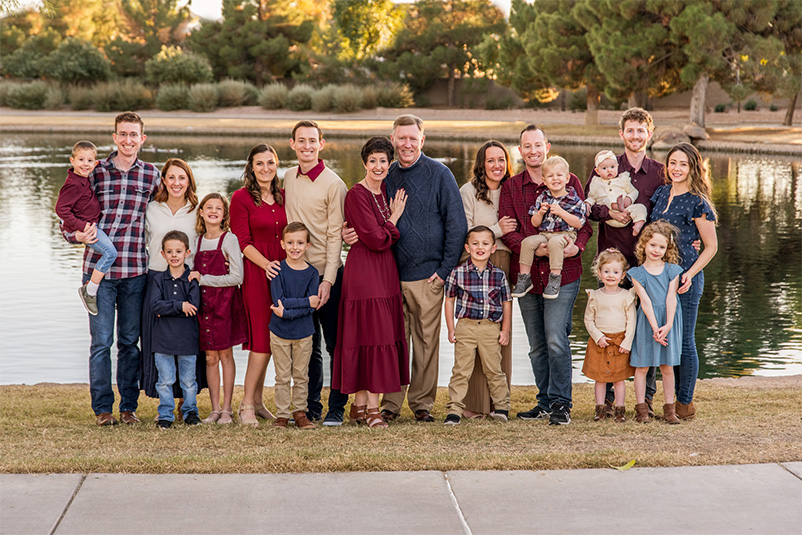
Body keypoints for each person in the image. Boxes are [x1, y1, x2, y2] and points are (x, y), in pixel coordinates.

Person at [361, 114, 466, 423]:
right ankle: (389, 405)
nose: (406, 144)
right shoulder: (384, 174)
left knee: (425, 344)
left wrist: (445, 270)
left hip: (428, 276)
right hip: (389, 276)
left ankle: (421, 404)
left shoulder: (440, 174)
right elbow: (368, 215)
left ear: (422, 140)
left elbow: (457, 226)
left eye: (412, 138)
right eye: (401, 138)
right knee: (393, 342)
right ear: (392, 140)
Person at [65, 112, 161, 426]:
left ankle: (129, 408)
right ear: (114, 137)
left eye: (134, 134)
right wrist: (75, 234)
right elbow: (68, 217)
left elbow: (166, 214)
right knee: (100, 343)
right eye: (123, 134)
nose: (128, 140)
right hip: (98, 273)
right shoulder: (95, 171)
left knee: (130, 342)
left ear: (142, 139)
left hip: (135, 271)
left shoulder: (151, 175)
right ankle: (103, 409)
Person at [499, 124, 592, 426]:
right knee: (537, 343)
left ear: (546, 146)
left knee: (556, 338)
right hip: (526, 274)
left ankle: (562, 404)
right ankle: (544, 401)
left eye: (538, 145)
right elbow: (508, 232)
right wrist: (532, 250)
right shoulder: (513, 187)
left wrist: (575, 249)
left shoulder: (569, 179)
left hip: (563, 274)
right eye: (527, 146)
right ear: (521, 150)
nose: (533, 151)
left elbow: (584, 225)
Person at [585, 107, 666, 419]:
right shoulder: (605, 165)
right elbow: (589, 207)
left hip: (648, 264)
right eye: (629, 130)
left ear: (648, 133)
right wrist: (610, 214)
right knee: (608, 327)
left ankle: (643, 400)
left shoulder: (659, 171)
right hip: (612, 264)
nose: (635, 136)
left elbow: (664, 213)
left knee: (645, 327)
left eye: (640, 131)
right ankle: (606, 400)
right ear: (622, 134)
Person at [332, 137, 409, 429]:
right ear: (365, 163)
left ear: (390, 165)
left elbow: (378, 237)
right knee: (370, 334)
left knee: (374, 334)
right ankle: (374, 410)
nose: (378, 166)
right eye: (373, 161)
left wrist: (383, 228)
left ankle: (361, 405)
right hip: (364, 270)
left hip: (386, 270)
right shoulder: (356, 194)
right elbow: (376, 240)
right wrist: (394, 219)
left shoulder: (387, 190)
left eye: (383, 161)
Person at [280, 121, 349, 426]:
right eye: (301, 141)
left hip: (328, 273)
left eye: (312, 141)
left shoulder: (334, 184)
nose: (306, 146)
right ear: (292, 144)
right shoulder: (288, 177)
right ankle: (311, 407)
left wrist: (329, 281)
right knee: (309, 345)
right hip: (298, 274)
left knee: (335, 344)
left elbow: (336, 235)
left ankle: (336, 407)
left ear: (322, 144)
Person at [649, 143, 718, 420]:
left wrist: (689, 273)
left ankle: (685, 402)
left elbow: (711, 247)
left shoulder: (698, 201)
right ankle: (664, 398)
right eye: (672, 163)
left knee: (685, 340)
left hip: (686, 279)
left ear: (693, 168)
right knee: (666, 338)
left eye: (683, 164)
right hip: (659, 279)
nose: (676, 169)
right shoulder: (661, 193)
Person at [140, 158, 203, 420]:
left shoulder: (197, 209)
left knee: (185, 341)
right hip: (156, 277)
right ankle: (163, 406)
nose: (176, 183)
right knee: (159, 343)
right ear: (163, 179)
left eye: (182, 178)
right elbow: (142, 241)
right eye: (172, 177)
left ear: (189, 181)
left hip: (188, 280)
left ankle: (185, 404)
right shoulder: (152, 208)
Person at [230, 144, 287, 426]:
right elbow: (242, 242)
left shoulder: (284, 196)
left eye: (270, 163)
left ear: (277, 165)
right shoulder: (240, 198)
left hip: (283, 273)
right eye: (260, 163)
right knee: (261, 341)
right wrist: (266, 265)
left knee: (273, 339)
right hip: (257, 272)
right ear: (251, 167)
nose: (265, 168)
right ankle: (246, 406)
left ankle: (259, 402)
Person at [459, 140, 516, 418]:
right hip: (475, 265)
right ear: (481, 164)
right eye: (490, 160)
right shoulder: (468, 192)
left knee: (498, 336)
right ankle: (472, 406)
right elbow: (465, 232)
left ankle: (499, 405)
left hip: (503, 264)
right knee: (473, 333)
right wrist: (496, 230)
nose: (496, 165)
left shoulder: (512, 189)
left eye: (501, 160)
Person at [443, 225, 512, 426]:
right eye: (475, 243)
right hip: (466, 327)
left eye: (485, 243)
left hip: (491, 328)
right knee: (461, 370)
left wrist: (505, 329)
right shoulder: (457, 273)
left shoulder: (499, 275)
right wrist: (451, 328)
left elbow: (507, 303)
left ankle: (501, 407)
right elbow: (449, 300)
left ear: (493, 248)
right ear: (467, 247)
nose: (479, 247)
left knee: (494, 370)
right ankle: (454, 410)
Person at [189, 193, 247, 425]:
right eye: (208, 207)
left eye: (219, 208)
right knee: (210, 357)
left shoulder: (229, 240)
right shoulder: (198, 241)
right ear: (201, 212)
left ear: (224, 215)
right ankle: (214, 409)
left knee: (225, 355)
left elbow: (237, 276)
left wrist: (205, 279)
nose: (213, 211)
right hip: (203, 306)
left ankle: (227, 410)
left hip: (224, 304)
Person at [628, 221, 684, 424]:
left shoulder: (673, 270)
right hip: (647, 321)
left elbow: (671, 298)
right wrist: (654, 327)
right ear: (644, 244)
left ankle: (670, 410)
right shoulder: (637, 273)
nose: (656, 250)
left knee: (667, 366)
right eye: (653, 245)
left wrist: (667, 325)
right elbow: (645, 301)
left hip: (668, 320)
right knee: (642, 367)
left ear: (667, 249)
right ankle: (642, 409)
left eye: (662, 247)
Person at [510, 155, 588, 300]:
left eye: (559, 175)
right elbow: (535, 223)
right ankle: (524, 278)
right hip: (545, 233)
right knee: (527, 242)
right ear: (544, 181)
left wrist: (561, 212)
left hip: (566, 234)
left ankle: (554, 280)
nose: (555, 178)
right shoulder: (543, 198)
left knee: (554, 243)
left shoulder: (574, 199)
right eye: (550, 176)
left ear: (567, 178)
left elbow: (579, 223)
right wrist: (540, 213)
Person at [55, 140, 117, 316]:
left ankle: (91, 289)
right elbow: (61, 209)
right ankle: (89, 290)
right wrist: (81, 227)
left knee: (109, 252)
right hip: (87, 228)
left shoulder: (83, 179)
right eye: (81, 160)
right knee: (110, 253)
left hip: (91, 225)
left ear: (95, 164)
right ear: (72, 160)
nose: (85, 164)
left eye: (90, 161)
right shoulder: (73, 184)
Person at [269, 222, 320, 430]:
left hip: (304, 332)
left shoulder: (313, 273)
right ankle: (281, 415)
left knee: (301, 375)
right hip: (279, 332)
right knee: (281, 376)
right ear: (282, 244)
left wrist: (289, 310)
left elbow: (312, 306)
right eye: (290, 243)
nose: (295, 247)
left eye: (300, 243)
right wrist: (307, 301)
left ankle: (300, 412)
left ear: (307, 245)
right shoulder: (277, 270)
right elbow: (279, 300)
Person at [150, 230, 202, 429]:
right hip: (163, 340)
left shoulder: (191, 279)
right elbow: (154, 306)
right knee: (165, 381)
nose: (174, 255)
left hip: (187, 339)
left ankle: (190, 413)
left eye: (178, 251)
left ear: (187, 252)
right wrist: (180, 306)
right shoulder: (158, 280)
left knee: (189, 381)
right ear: (162, 254)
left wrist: (168, 307)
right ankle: (165, 415)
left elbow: (194, 306)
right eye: (169, 251)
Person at [582, 248, 636, 423]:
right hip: (600, 343)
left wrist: (627, 342)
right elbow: (588, 320)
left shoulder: (627, 296)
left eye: (615, 272)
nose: (610, 275)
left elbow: (631, 321)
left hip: (620, 342)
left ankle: (620, 409)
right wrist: (598, 336)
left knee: (619, 379)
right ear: (599, 273)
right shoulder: (595, 296)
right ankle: (600, 409)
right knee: (600, 378)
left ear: (622, 275)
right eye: (606, 271)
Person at [585, 149, 647, 236]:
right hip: (610, 217)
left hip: (627, 211)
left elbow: (634, 191)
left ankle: (638, 225)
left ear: (617, 166)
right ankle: (617, 206)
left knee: (641, 208)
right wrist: (588, 203)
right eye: (604, 168)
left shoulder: (622, 180)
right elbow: (592, 197)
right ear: (597, 171)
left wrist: (629, 198)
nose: (609, 170)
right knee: (607, 199)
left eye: (612, 167)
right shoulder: (597, 184)